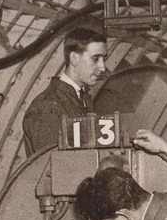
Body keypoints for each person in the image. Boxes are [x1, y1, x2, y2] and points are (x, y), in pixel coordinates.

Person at [21, 26, 108, 154]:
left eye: (103, 59)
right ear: (74, 58)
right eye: (95, 59)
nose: (102, 67)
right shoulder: (48, 107)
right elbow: (54, 166)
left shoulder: (79, 99)